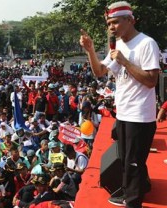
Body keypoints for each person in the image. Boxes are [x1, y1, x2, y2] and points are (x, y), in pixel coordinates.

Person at [80, 1, 160, 207]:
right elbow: (100, 72)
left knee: (133, 163)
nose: (111, 28)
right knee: (125, 160)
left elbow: (152, 81)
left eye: (115, 22)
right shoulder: (119, 45)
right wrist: (90, 50)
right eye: (108, 24)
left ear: (130, 20)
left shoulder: (146, 44)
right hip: (123, 113)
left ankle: (133, 202)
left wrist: (125, 61)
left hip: (140, 115)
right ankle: (134, 190)